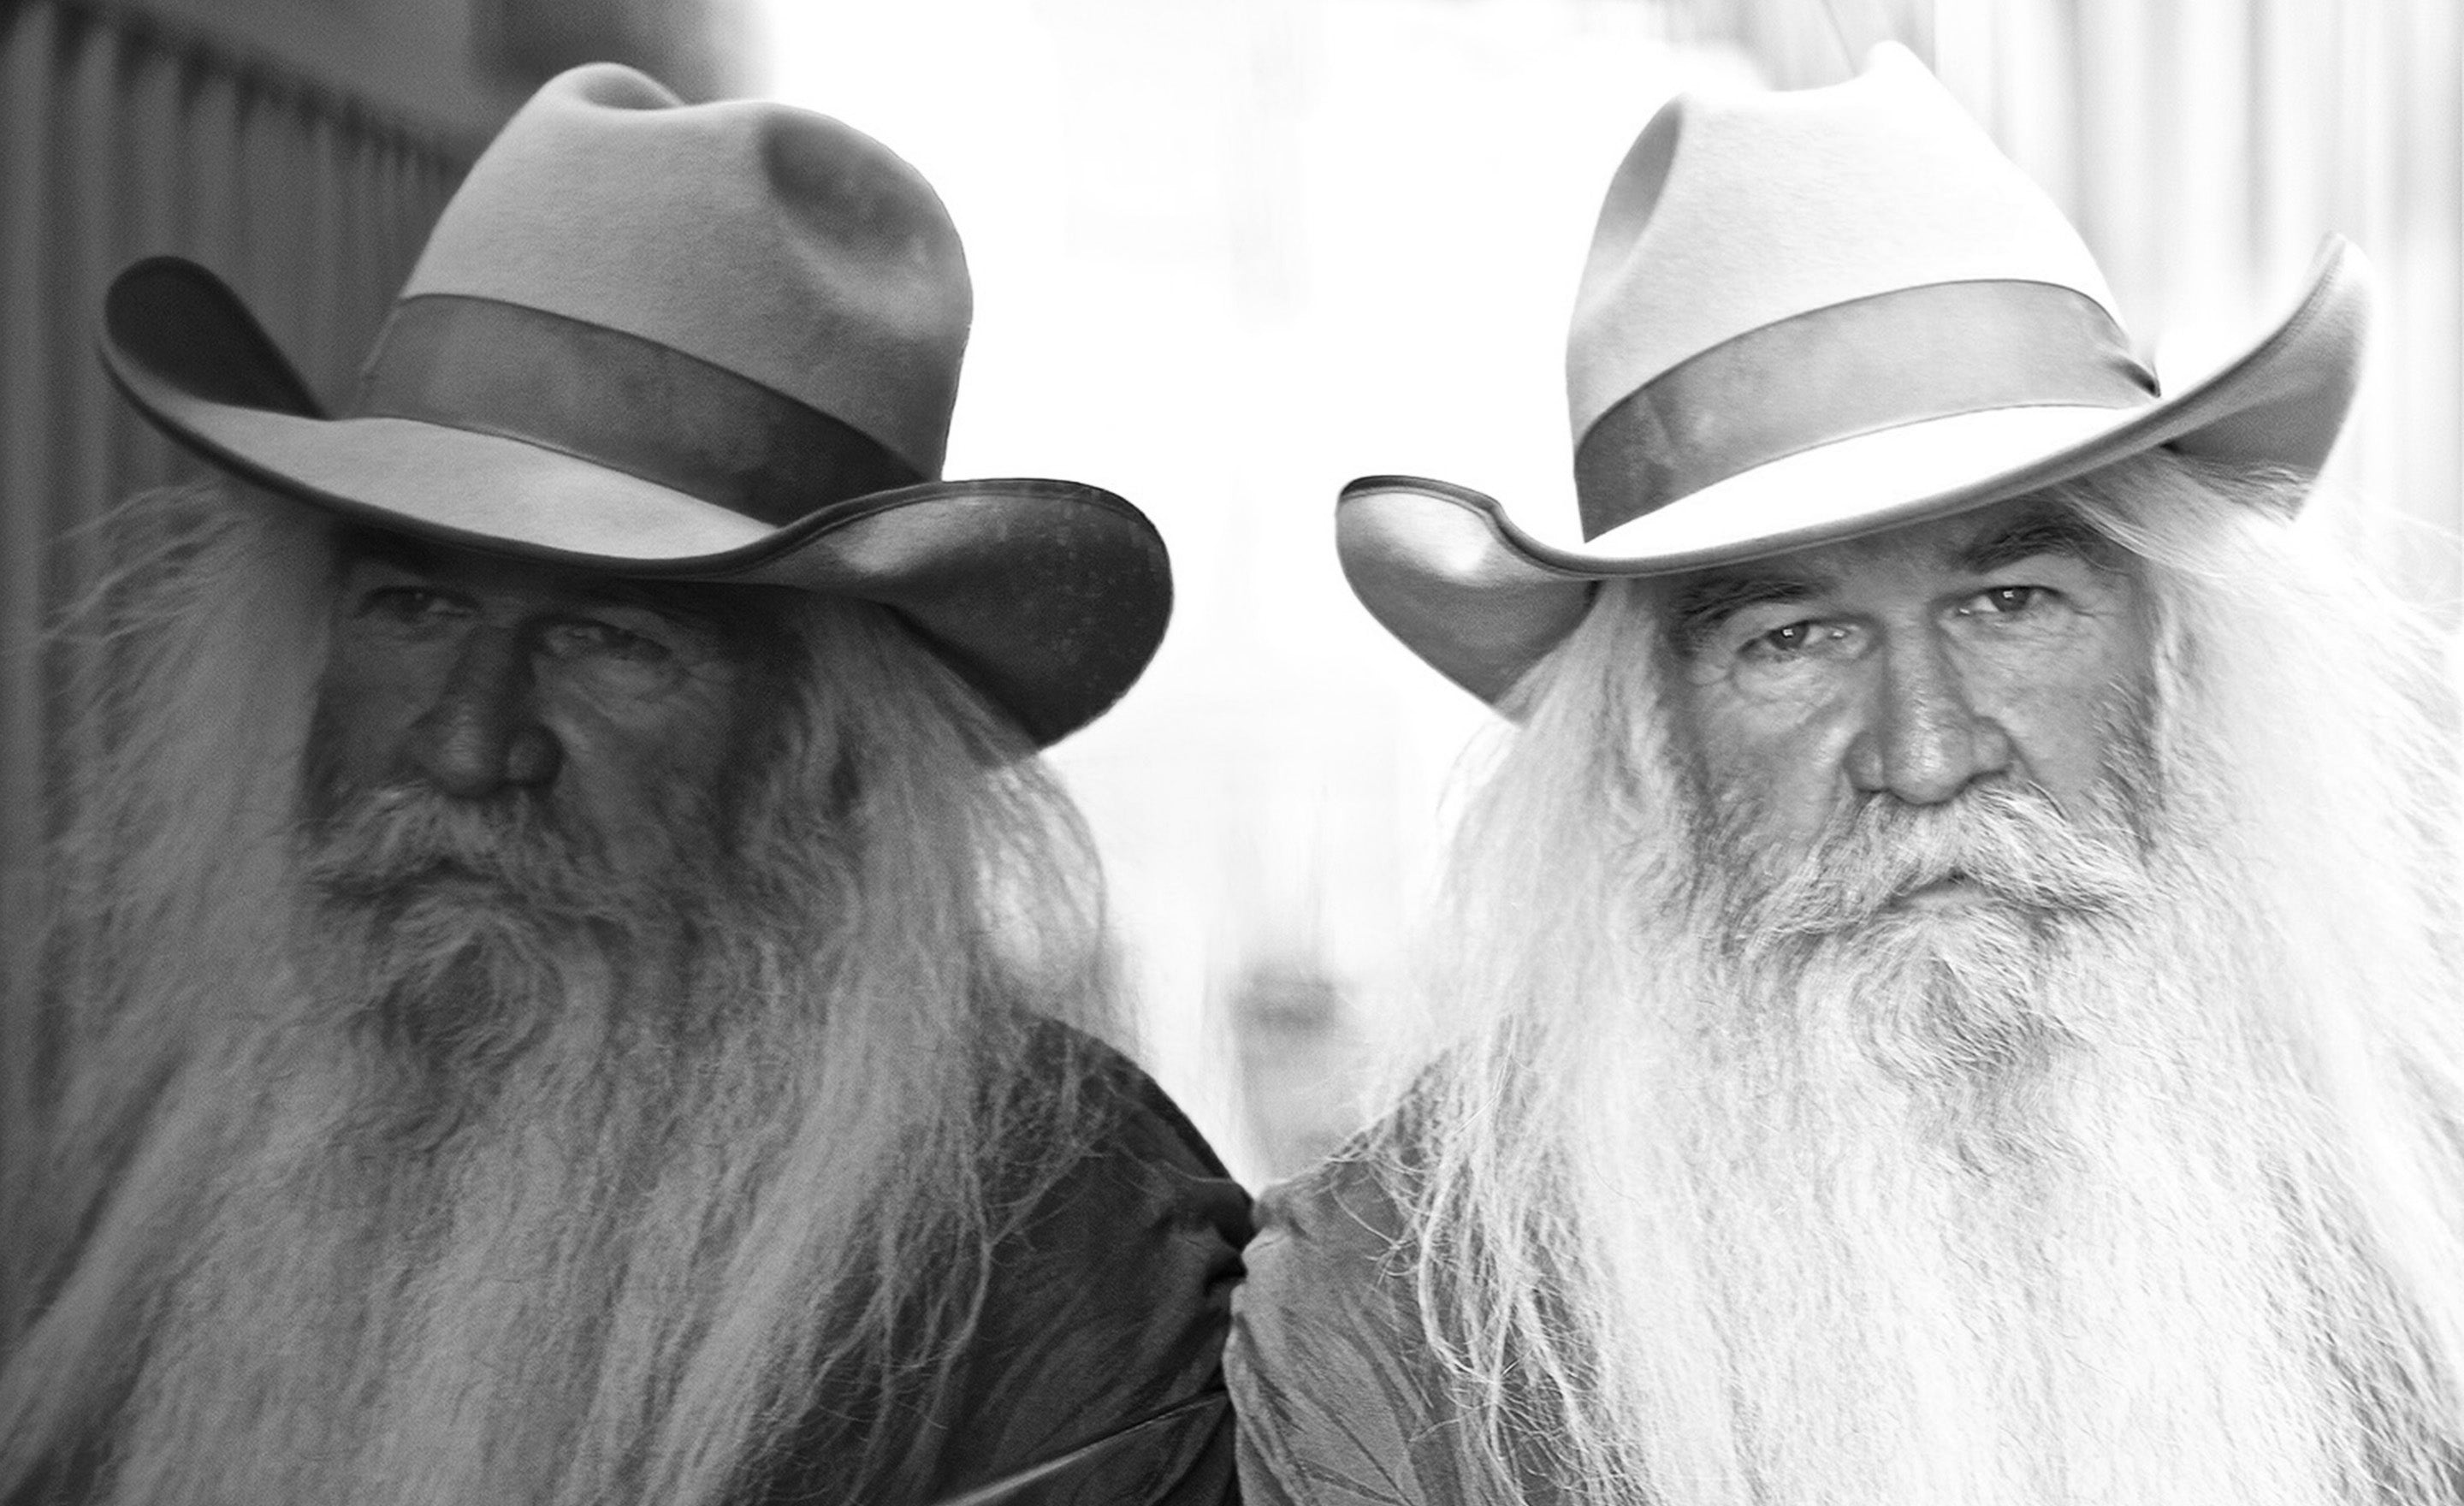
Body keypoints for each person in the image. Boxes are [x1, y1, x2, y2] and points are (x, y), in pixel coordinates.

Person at [1229, 44, 2464, 1506]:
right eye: (1794, 639)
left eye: (2011, 606)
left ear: (2175, 659)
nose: (1928, 755)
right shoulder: (1404, 1311)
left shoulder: (2422, 1179)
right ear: (1647, 747)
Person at [0, 63, 1247, 1506]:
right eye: (412, 608)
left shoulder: (1045, 1237)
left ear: (824, 749)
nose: (470, 746)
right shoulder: (196, 1127)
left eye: (610, 641)